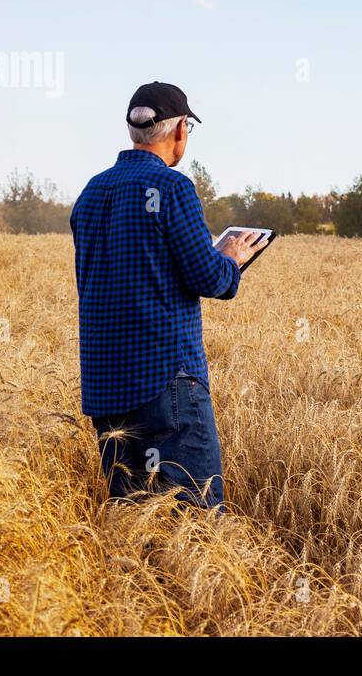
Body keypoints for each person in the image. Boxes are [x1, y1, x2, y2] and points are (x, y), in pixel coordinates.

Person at [69, 81, 266, 509]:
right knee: (194, 522)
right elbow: (211, 279)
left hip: (105, 389)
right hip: (165, 384)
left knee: (133, 522)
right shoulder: (173, 188)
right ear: (180, 130)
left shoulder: (90, 194)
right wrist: (230, 256)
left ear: (132, 130)